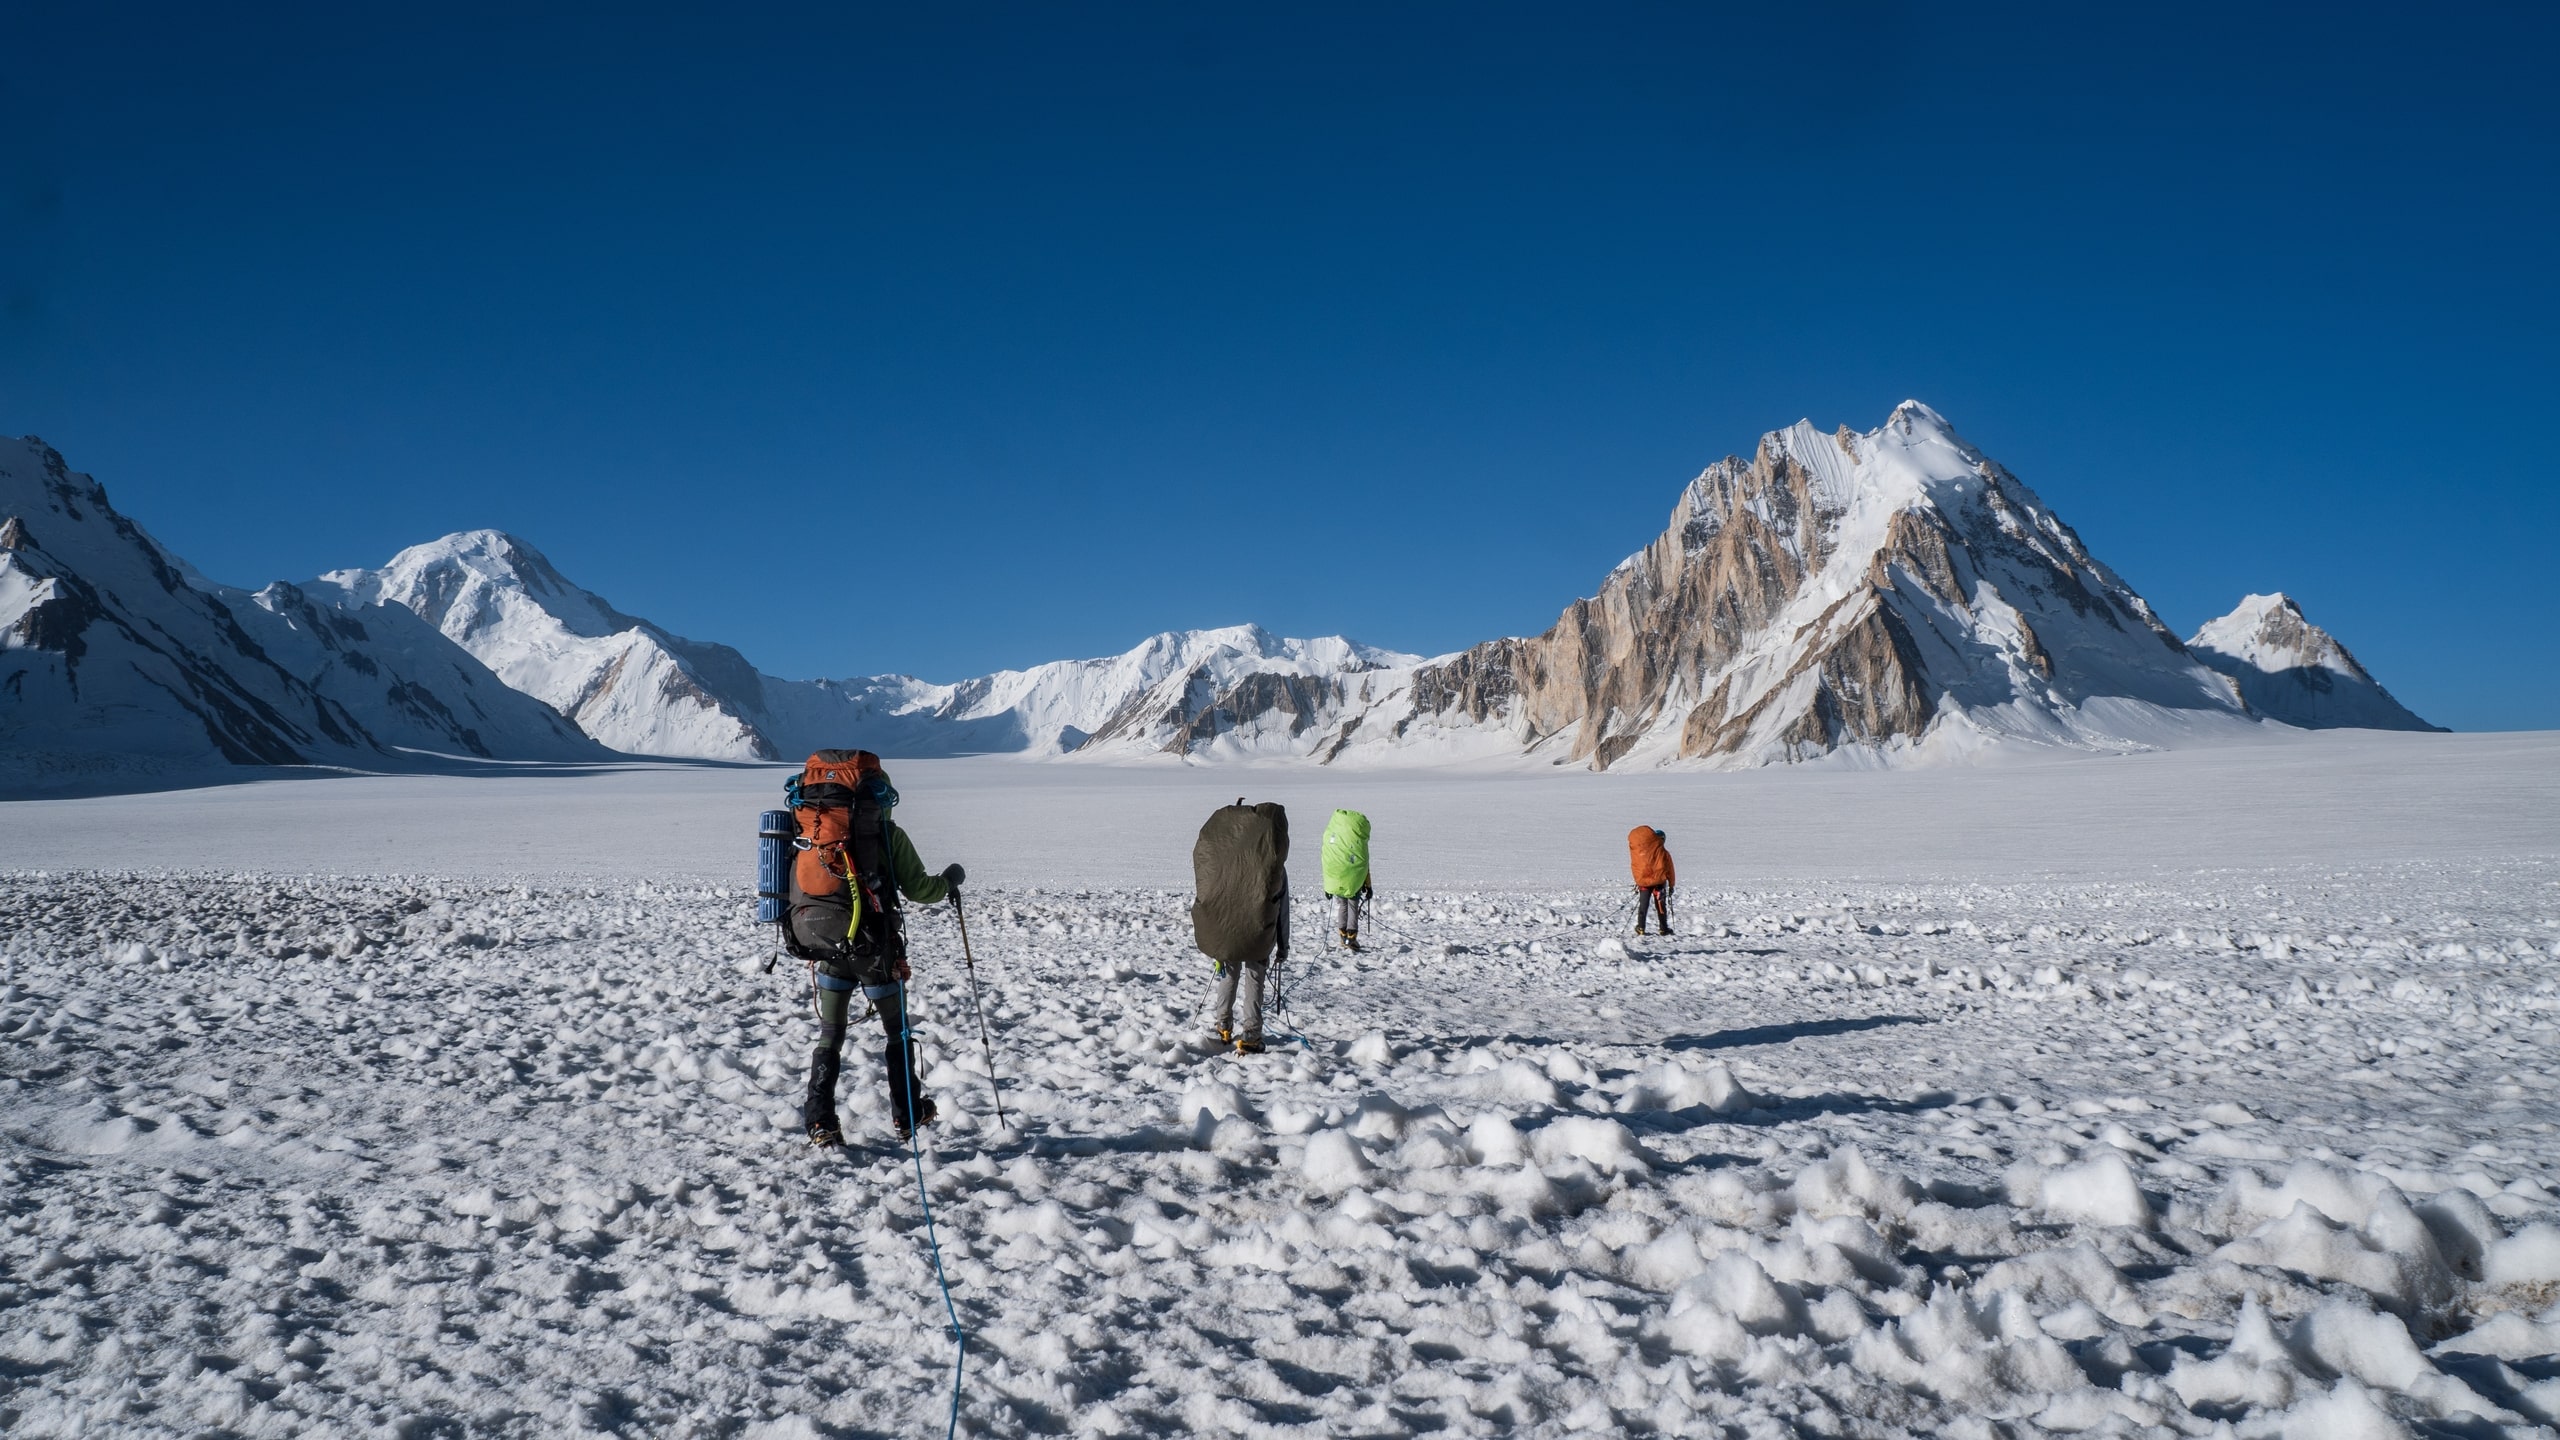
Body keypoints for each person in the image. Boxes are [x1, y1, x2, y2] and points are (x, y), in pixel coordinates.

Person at [781, 749, 965, 1146]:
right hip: (873, 949)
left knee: (830, 1032)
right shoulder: (884, 833)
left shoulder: (807, 828)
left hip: (823, 944)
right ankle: (907, 1115)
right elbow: (921, 890)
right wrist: (950, 880)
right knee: (896, 1031)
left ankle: (820, 1122)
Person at [1191, 798, 1289, 1055]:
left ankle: (1223, 1025)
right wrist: (1283, 946)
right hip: (1258, 932)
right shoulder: (1272, 866)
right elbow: (1282, 909)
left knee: (1229, 970)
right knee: (1255, 977)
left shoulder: (1225, 861)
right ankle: (1251, 1035)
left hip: (1225, 930)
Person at [1321, 808, 1373, 952]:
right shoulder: (1357, 847)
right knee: (1352, 907)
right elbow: (1364, 866)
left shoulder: (1338, 848)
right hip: (1354, 882)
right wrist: (1368, 886)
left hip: (1337, 880)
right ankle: (1351, 938)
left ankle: (1343, 936)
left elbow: (1328, 863)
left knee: (1343, 906)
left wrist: (1328, 887)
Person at [1628, 824, 1675, 935]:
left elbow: (1637, 866)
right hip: (1659, 883)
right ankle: (1663, 928)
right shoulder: (1664, 853)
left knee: (1643, 905)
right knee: (1661, 906)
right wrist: (1671, 885)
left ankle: (1641, 927)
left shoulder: (1642, 853)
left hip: (1644, 883)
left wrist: (1638, 881)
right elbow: (1670, 870)